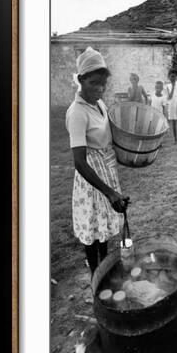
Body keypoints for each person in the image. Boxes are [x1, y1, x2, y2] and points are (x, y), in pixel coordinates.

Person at [66, 47, 130, 276]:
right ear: (81, 80)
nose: (100, 89)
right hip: (91, 180)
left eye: (103, 84)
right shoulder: (77, 113)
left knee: (102, 227)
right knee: (92, 229)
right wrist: (109, 192)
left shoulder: (99, 104)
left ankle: (106, 270)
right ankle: (96, 275)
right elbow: (79, 162)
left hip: (105, 171)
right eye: (94, 83)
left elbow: (107, 135)